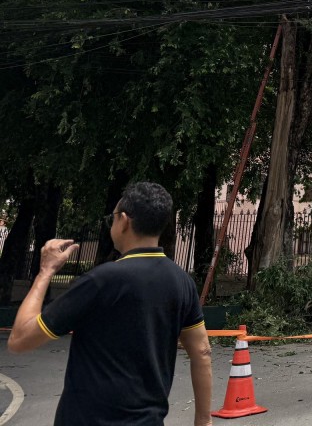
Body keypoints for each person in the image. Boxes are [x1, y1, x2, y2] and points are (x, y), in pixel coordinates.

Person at [7, 181, 213, 425]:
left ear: (124, 221)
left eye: (112, 218)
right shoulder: (182, 282)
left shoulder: (100, 281)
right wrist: (204, 421)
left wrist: (45, 271)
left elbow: (20, 339)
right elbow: (202, 351)